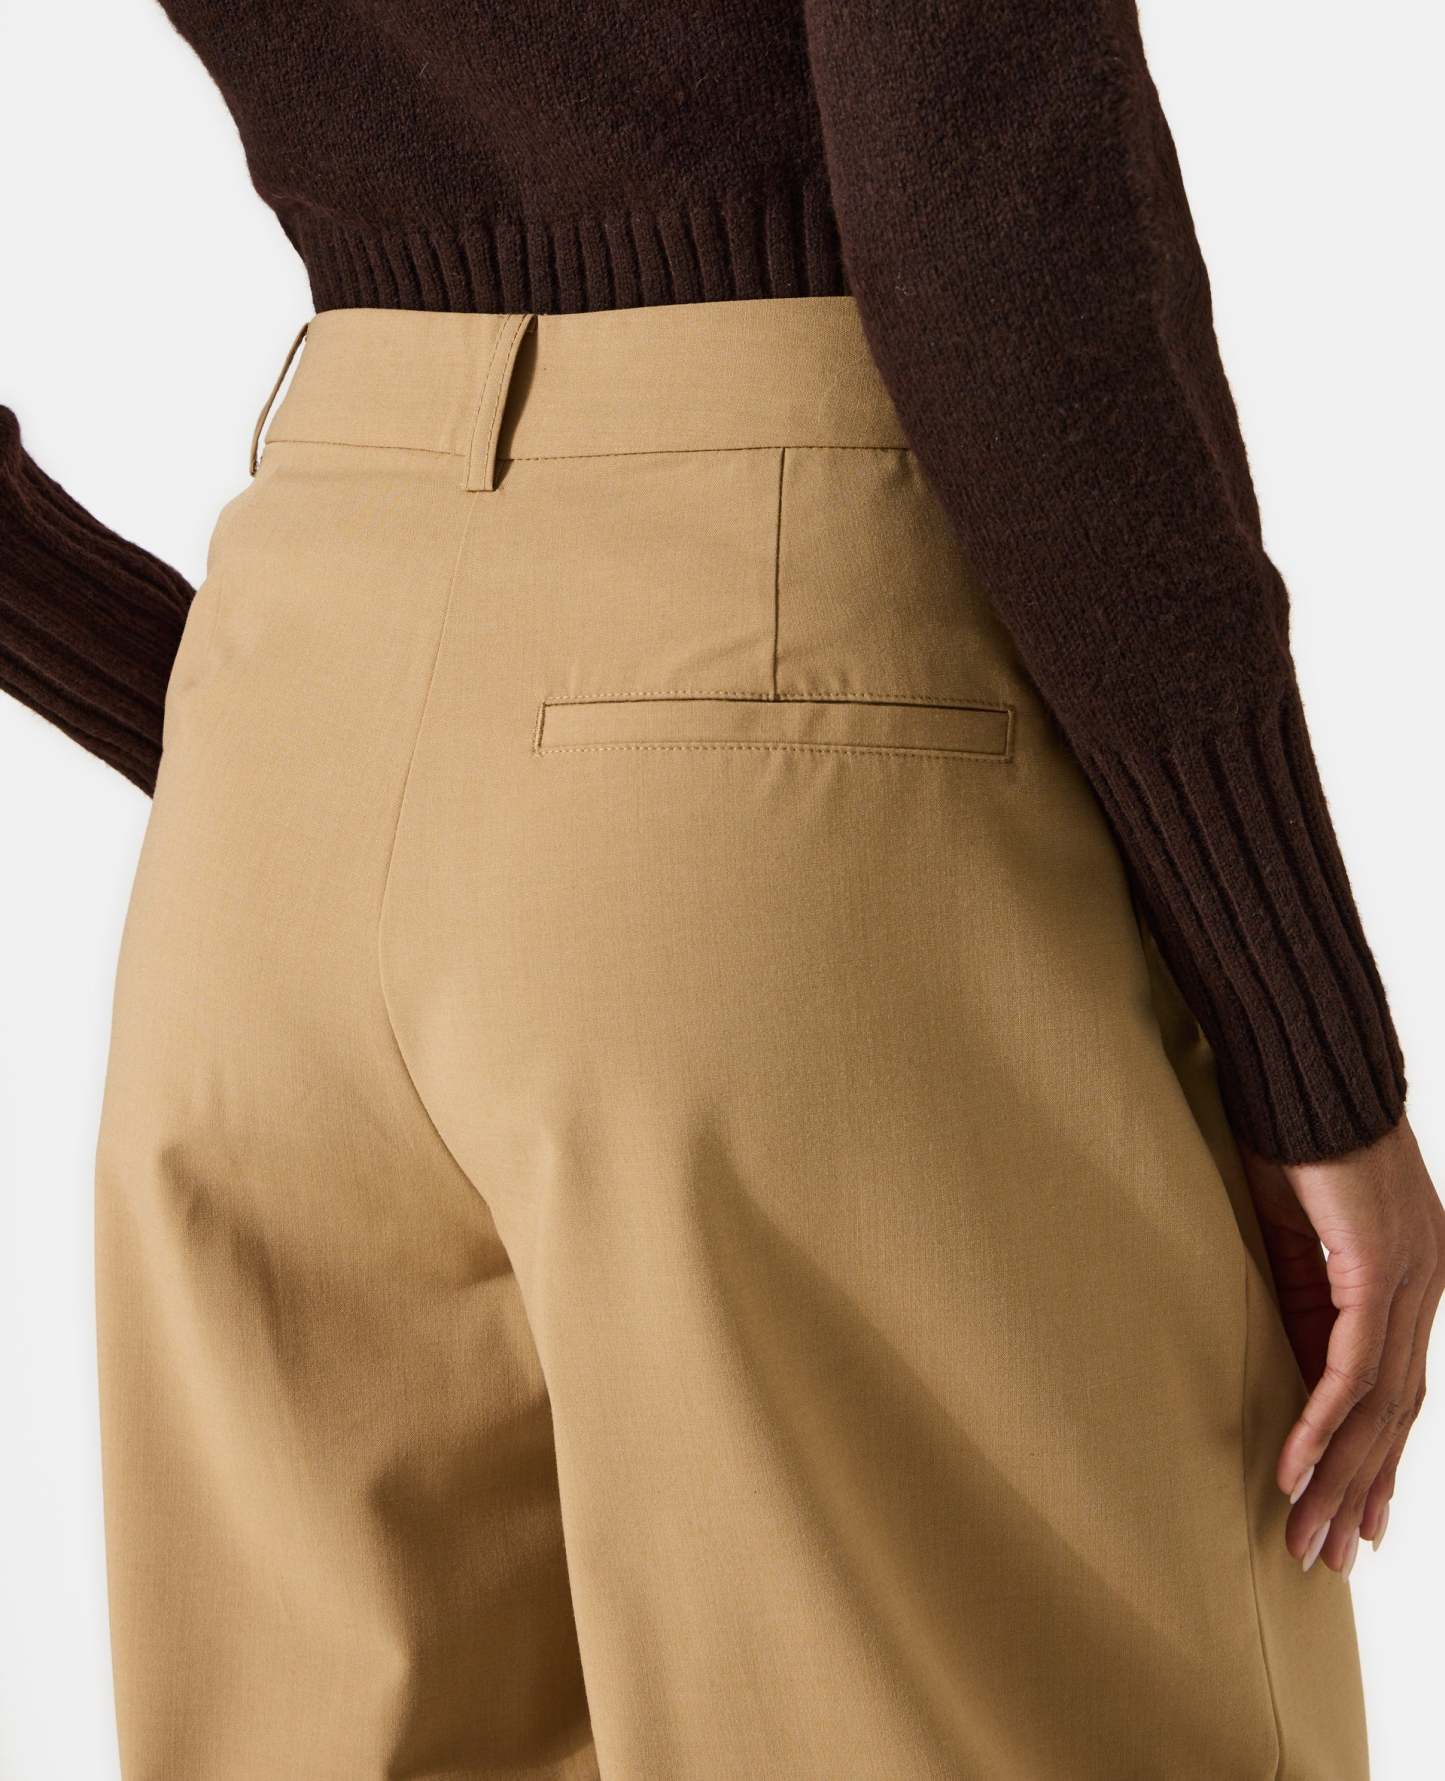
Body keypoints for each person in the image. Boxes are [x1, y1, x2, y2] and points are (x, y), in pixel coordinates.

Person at [1, 4, 1440, 1777]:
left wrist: (272, 743)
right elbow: (983, 195)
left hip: (284, 750)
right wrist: (1295, 1025)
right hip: (786, 723)